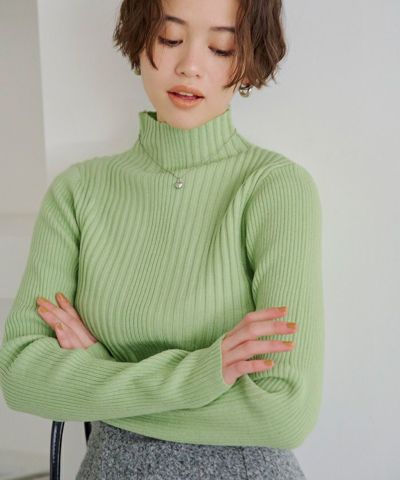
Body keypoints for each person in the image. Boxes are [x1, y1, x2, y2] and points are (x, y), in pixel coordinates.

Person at [0, 0, 325, 478]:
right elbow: (21, 375)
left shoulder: (274, 188)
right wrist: (200, 376)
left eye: (221, 47)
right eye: (170, 38)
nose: (190, 65)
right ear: (140, 37)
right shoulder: (78, 193)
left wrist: (97, 372)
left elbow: (285, 413)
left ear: (249, 56)